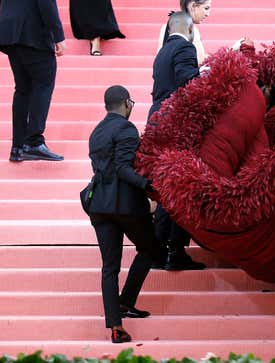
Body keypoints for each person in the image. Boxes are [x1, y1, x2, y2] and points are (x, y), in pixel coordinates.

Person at [87, 86, 163, 343]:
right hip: (125, 206)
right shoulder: (127, 129)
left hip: (99, 206)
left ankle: (116, 326)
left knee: (109, 267)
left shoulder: (96, 132)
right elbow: (122, 168)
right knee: (150, 249)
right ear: (126, 103)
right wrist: (150, 188)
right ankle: (126, 301)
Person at [149, 12, 206, 270]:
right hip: (177, 122)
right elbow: (189, 83)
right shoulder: (185, 47)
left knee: (166, 187)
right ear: (190, 29)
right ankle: (176, 251)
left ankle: (161, 249)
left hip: (158, 118)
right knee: (183, 186)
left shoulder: (162, 52)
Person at [0, 0, 66, 162]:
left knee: (23, 89)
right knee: (43, 83)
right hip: (31, 32)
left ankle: (18, 146)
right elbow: (46, 4)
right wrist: (58, 36)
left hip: (10, 31)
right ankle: (32, 142)